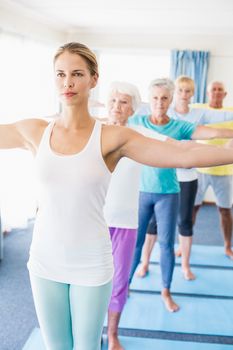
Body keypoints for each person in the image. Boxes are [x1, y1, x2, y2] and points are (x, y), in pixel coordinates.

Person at [2, 44, 233, 349]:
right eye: (60, 74)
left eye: (76, 74)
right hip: (45, 260)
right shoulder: (34, 130)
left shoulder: (112, 137)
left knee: (86, 346)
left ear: (93, 79)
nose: (67, 82)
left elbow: (183, 151)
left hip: (91, 262)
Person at [128, 78, 233, 312]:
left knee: (166, 244)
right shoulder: (135, 122)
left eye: (164, 98)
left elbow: (211, 131)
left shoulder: (179, 126)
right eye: (155, 98)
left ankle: (165, 290)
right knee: (135, 243)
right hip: (141, 192)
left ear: (171, 99)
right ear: (149, 99)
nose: (159, 103)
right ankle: (125, 285)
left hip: (168, 193)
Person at [104, 81, 167, 350]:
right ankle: (86, 330)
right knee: (86, 280)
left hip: (125, 222)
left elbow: (177, 146)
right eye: (114, 101)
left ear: (133, 108)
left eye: (124, 102)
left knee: (119, 282)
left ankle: (113, 333)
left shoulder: (140, 135)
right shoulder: (93, 131)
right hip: (92, 220)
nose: (117, 107)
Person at [193, 81, 233, 260]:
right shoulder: (197, 109)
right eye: (213, 90)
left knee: (225, 210)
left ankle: (227, 246)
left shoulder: (230, 113)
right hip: (199, 171)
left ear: (224, 95)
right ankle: (185, 244)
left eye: (220, 90)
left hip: (224, 172)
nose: (216, 93)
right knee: (192, 209)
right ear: (207, 93)